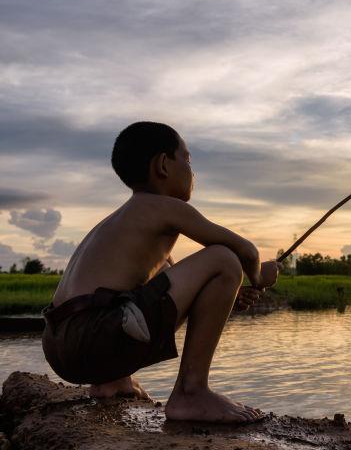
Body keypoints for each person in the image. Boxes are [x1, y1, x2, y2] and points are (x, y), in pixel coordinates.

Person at [41, 121, 278, 423]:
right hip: (94, 337)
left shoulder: (123, 221)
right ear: (163, 165)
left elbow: (172, 293)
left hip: (58, 343)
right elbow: (246, 252)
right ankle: (191, 392)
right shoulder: (164, 208)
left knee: (165, 281)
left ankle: (111, 380)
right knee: (224, 259)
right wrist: (259, 275)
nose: (193, 172)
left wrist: (233, 291)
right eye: (188, 160)